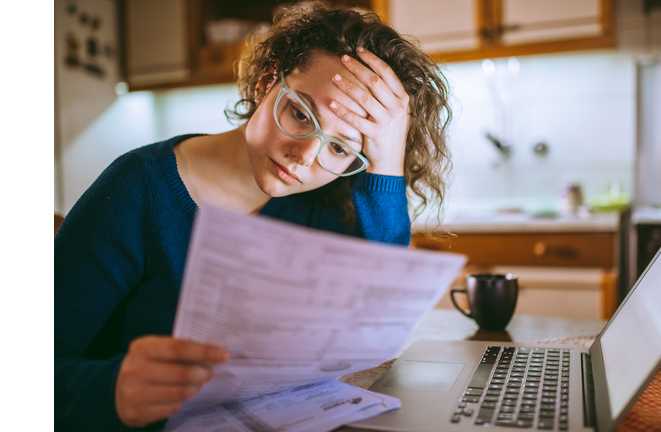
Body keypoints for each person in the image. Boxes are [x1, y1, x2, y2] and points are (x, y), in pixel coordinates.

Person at [54, 2, 452, 431]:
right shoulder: (138, 188)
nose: (303, 158)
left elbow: (380, 321)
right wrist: (113, 389)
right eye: (300, 113)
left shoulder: (327, 202)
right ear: (267, 81)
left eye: (341, 148)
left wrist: (386, 160)